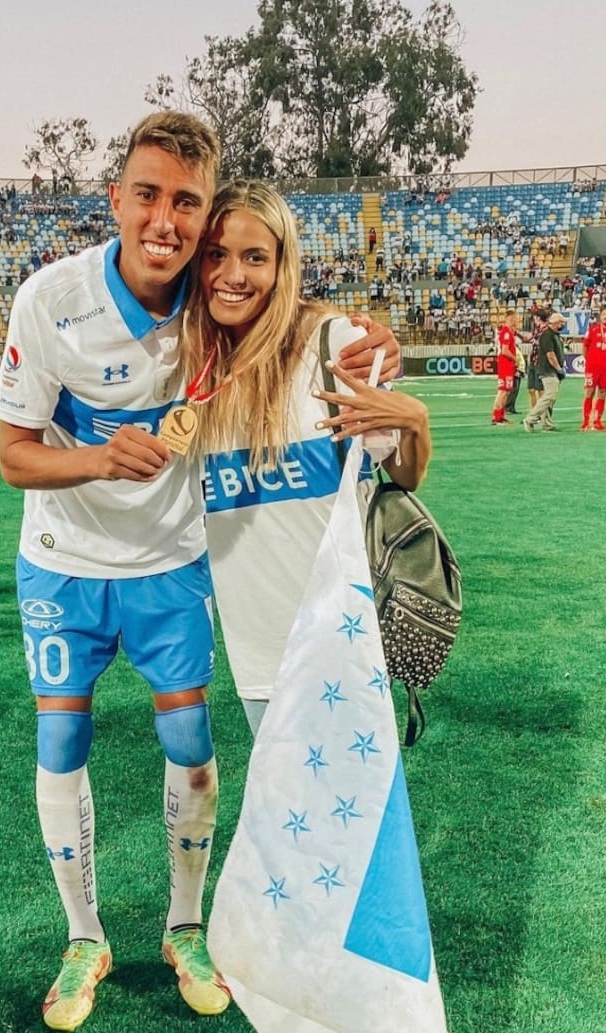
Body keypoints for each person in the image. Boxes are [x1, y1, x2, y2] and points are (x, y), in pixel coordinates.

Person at [0, 113, 401, 1033]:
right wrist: (98, 459)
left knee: (192, 750)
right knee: (60, 744)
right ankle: (84, 937)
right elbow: (14, 454)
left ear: (205, 211)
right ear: (116, 199)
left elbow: (283, 309)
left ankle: (185, 926)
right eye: (148, 195)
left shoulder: (207, 300)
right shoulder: (49, 300)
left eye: (186, 202)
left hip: (171, 564)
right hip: (61, 564)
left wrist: (370, 339)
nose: (166, 221)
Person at [181, 179, 430, 736]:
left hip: (344, 640)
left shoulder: (334, 344)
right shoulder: (190, 364)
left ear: (281, 266)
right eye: (216, 255)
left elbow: (404, 474)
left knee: (356, 794)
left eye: (255, 257)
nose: (233, 274)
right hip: (255, 650)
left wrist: (415, 420)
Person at [523, 311, 567, 432]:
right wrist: (559, 369)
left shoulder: (554, 335)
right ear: (556, 323)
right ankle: (530, 418)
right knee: (550, 395)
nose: (563, 325)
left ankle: (546, 423)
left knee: (550, 398)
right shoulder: (547, 335)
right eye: (561, 322)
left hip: (551, 370)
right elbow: (550, 355)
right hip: (548, 370)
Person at [491, 309, 531, 424]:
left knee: (506, 391)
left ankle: (500, 416)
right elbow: (505, 351)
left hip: (508, 365)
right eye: (516, 318)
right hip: (505, 365)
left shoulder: (509, 331)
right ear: (511, 319)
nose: (517, 321)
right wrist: (515, 359)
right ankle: (496, 417)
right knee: (503, 391)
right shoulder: (506, 333)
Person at [580, 306, 606, 431]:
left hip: (605, 369)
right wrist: (589, 361)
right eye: (604, 314)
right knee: (589, 392)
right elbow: (585, 346)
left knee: (602, 393)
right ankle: (585, 422)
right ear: (600, 316)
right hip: (592, 368)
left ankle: (597, 422)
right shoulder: (592, 330)